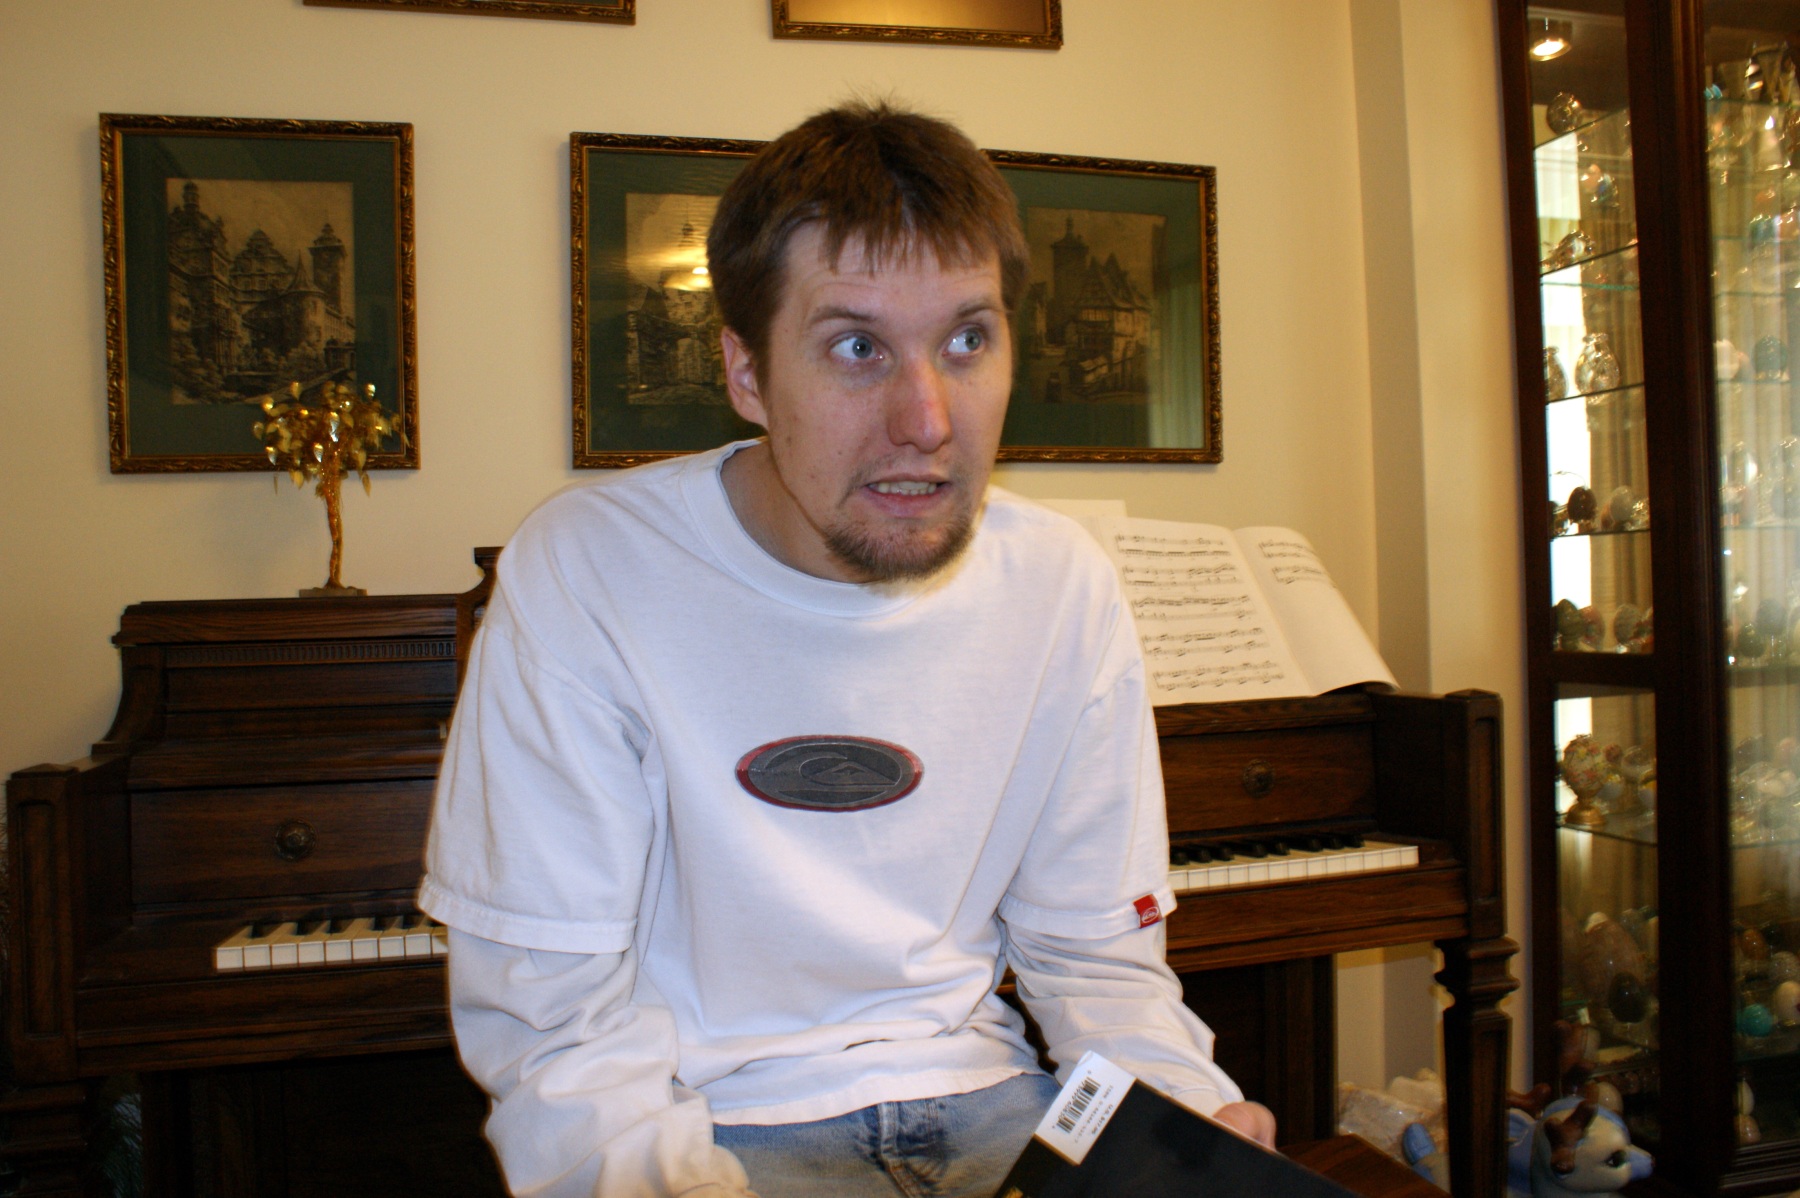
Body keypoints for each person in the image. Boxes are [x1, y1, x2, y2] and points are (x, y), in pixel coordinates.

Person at [420, 99, 1274, 1198]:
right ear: (746, 374)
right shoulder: (590, 570)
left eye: (967, 340)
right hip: (708, 1127)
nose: (928, 419)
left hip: (994, 1103)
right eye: (857, 347)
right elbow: (555, 1029)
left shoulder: (1062, 585)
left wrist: (1186, 1134)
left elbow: (1096, 962)